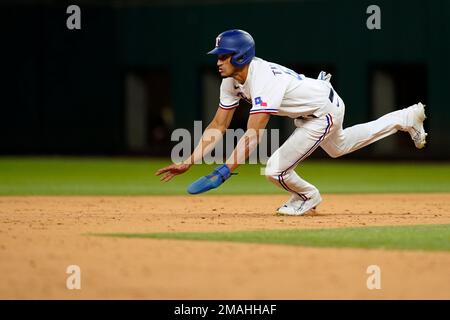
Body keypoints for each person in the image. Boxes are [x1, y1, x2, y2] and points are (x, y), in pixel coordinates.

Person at [156, 29, 427, 216]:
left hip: (322, 112)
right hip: (320, 104)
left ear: (240, 56)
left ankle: (306, 197)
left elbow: (253, 134)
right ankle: (405, 117)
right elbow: (218, 125)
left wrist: (224, 171)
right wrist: (189, 161)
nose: (218, 60)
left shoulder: (263, 80)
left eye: (223, 55)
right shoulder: (231, 82)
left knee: (274, 170)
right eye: (218, 54)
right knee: (339, 147)